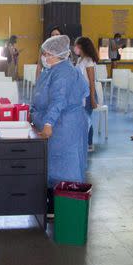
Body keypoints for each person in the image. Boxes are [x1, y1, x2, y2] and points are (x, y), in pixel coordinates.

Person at [30, 35, 89, 216]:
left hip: (63, 126)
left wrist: (48, 123)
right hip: (56, 123)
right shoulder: (53, 70)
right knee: (52, 164)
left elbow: (59, 100)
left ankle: (62, 205)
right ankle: (51, 202)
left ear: (56, 54)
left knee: (66, 165)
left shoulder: (64, 73)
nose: (44, 57)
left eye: (46, 54)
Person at [74, 37, 99, 151]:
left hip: (89, 95)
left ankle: (89, 143)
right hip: (81, 94)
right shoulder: (80, 60)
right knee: (81, 118)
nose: (75, 48)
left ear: (82, 47)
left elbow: (92, 82)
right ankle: (82, 141)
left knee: (87, 119)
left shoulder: (89, 61)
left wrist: (93, 98)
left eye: (77, 46)